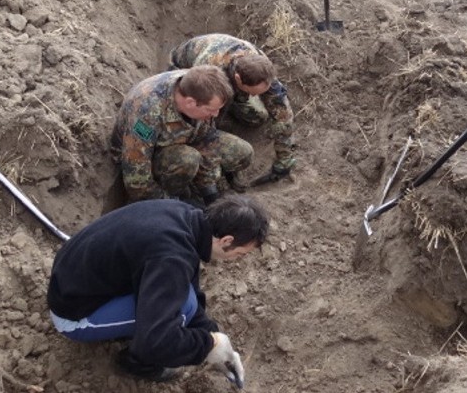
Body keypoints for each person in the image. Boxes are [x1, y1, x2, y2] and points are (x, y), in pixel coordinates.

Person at [47, 195, 269, 385]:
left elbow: (186, 283)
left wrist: (213, 334)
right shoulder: (171, 257)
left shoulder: (185, 216)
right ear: (227, 240)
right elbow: (155, 340)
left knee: (184, 302)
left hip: (72, 280)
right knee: (179, 313)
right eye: (239, 254)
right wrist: (208, 346)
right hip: (74, 314)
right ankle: (137, 364)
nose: (235, 260)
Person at [110, 65, 253, 205]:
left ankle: (200, 185)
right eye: (211, 110)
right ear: (190, 103)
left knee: (243, 152)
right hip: (150, 154)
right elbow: (136, 180)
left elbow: (204, 134)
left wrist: (209, 190)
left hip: (186, 136)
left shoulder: (199, 84)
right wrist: (171, 205)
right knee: (188, 159)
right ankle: (175, 195)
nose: (215, 115)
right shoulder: (146, 113)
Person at [169, 33, 296, 187]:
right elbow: (196, 108)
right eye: (252, 93)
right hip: (186, 72)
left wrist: (284, 160)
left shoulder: (261, 68)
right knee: (205, 119)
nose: (255, 96)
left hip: (230, 80)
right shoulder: (209, 69)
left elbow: (282, 111)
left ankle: (231, 108)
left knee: (258, 117)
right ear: (237, 79)